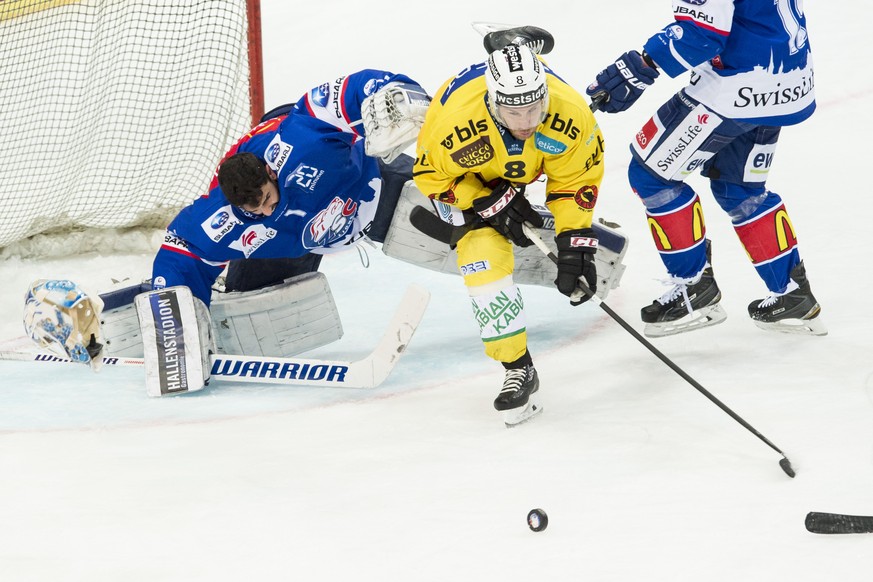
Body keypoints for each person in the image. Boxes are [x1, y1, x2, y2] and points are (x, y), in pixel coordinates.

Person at [585, 0, 826, 337]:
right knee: (740, 188)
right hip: (787, 80)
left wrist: (641, 65)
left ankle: (693, 287)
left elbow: (700, 35)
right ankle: (793, 293)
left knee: (651, 176)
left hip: (738, 86)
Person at [413, 36, 605, 424]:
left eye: (535, 108)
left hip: (524, 166)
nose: (527, 122)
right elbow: (429, 176)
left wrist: (575, 246)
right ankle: (518, 367)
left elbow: (574, 183)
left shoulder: (571, 115)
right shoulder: (456, 127)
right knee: (481, 268)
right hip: (473, 178)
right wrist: (485, 200)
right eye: (515, 113)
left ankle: (515, 44)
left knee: (558, 208)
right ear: (493, 102)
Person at [151, 68, 431, 307]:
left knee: (455, 197)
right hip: (292, 241)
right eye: (255, 209)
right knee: (247, 304)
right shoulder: (223, 215)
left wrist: (393, 94)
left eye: (268, 199)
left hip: (362, 184)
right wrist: (174, 318)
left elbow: (349, 91)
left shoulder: (304, 142)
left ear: (271, 172)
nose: (266, 210)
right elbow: (181, 249)